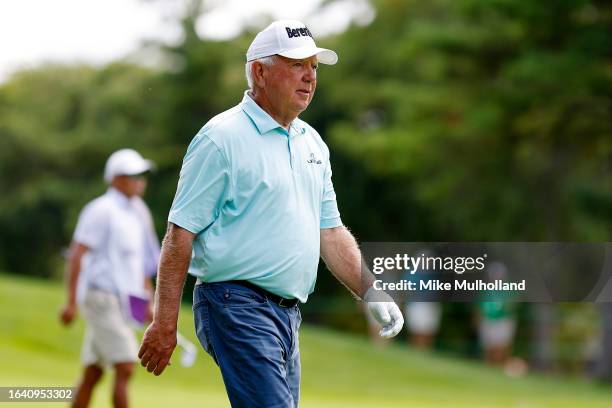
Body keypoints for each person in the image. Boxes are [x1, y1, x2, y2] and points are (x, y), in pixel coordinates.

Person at [138, 20, 404, 407]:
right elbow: (180, 234)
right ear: (260, 73)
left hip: (287, 313)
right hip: (234, 303)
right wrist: (164, 322)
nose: (309, 77)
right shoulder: (221, 138)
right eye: (296, 65)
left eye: (313, 67)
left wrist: (371, 290)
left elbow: (329, 233)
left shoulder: (311, 141)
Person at [60, 149, 160, 408]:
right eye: (133, 175)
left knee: (94, 372)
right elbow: (76, 256)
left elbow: (141, 265)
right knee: (126, 365)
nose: (140, 180)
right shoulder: (100, 210)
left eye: (142, 175)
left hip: (123, 301)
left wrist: (146, 303)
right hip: (100, 298)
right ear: (115, 178)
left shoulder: (138, 212)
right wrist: (71, 302)